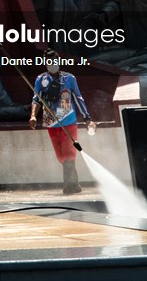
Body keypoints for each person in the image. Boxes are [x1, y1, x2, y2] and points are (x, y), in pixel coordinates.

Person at [28, 59, 94, 194]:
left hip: (68, 119)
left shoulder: (69, 78)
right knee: (61, 156)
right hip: (51, 122)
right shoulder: (41, 79)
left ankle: (69, 186)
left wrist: (87, 117)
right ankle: (74, 185)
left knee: (69, 153)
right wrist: (33, 115)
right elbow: (36, 99)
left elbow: (78, 98)